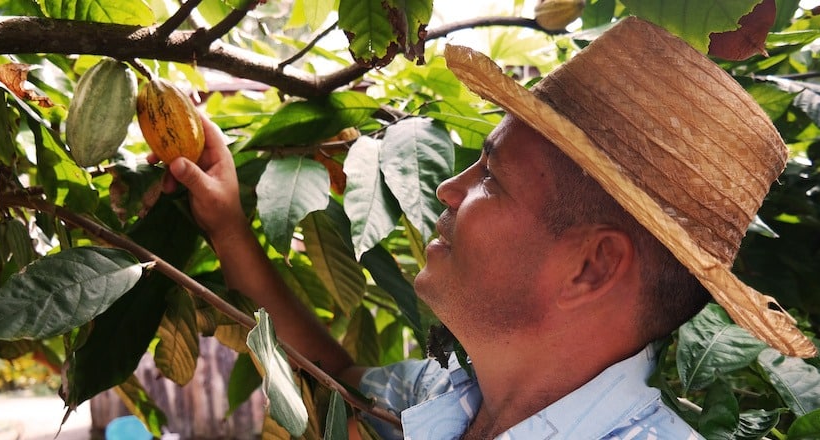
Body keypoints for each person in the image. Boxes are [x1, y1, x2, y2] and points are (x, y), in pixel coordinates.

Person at [158, 16, 816, 440]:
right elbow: (333, 375)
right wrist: (227, 226)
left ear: (590, 267)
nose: (447, 188)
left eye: (490, 179)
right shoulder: (449, 398)